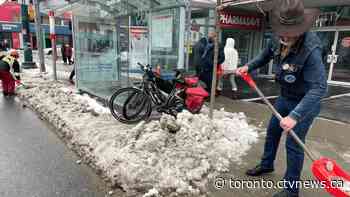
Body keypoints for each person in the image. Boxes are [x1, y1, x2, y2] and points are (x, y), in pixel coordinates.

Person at [236, 0, 327, 197]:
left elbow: (320, 87)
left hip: (305, 102)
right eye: (282, 31)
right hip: (285, 96)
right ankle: (267, 164)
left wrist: (294, 116)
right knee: (273, 132)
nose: (284, 36)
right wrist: (249, 66)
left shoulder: (311, 49)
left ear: (300, 29)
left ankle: (291, 190)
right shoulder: (278, 37)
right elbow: (264, 56)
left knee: (293, 144)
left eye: (289, 32)